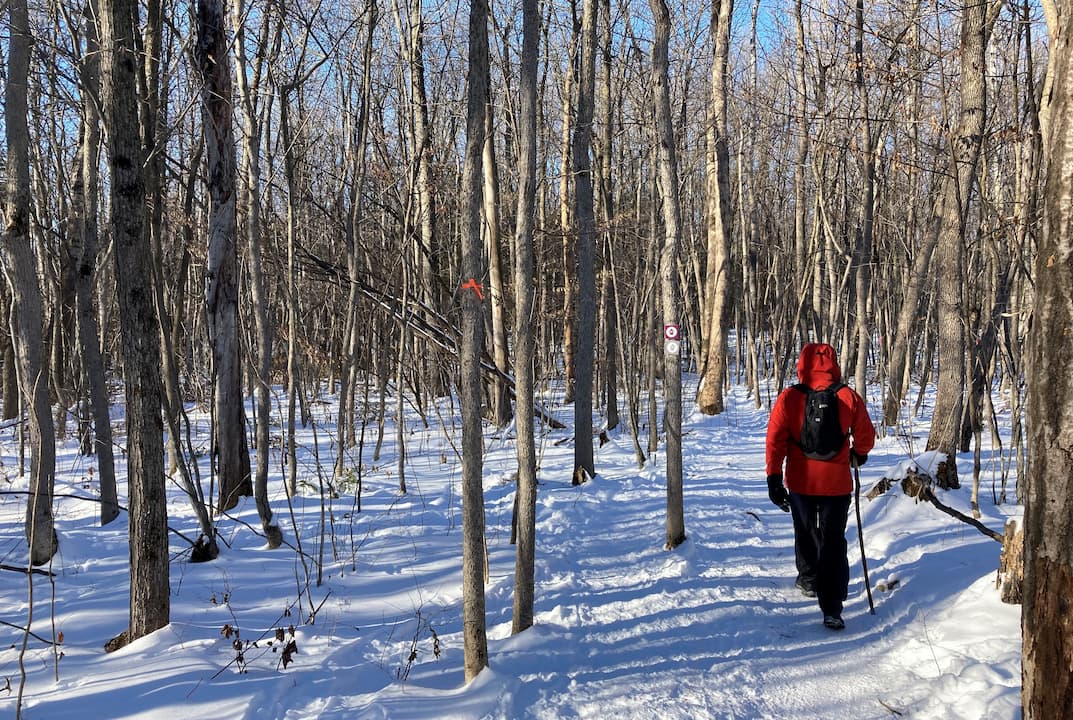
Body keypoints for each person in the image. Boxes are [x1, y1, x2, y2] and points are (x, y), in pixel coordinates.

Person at [764, 342, 876, 630]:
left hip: (801, 481)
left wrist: (774, 478)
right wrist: (858, 454)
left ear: (802, 364)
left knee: (805, 531)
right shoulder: (847, 396)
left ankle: (810, 578)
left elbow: (775, 440)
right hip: (836, 484)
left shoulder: (789, 397)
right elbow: (865, 434)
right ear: (834, 365)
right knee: (833, 540)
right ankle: (832, 606)